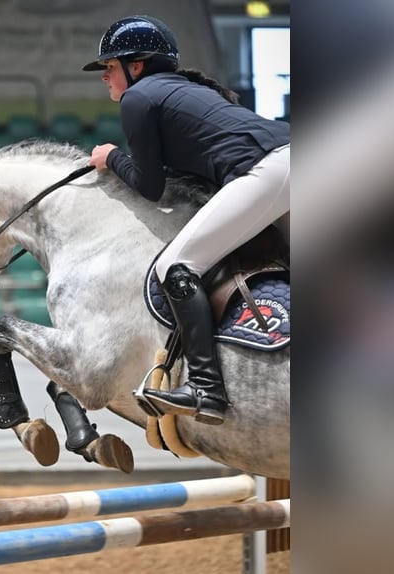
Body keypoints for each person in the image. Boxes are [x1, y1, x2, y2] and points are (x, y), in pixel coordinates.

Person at [84, 15, 290, 425]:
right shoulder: (185, 92)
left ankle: (206, 388)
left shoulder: (138, 99)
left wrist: (111, 158)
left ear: (136, 66)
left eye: (110, 67)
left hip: (270, 171)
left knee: (175, 267)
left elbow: (151, 186)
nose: (105, 77)